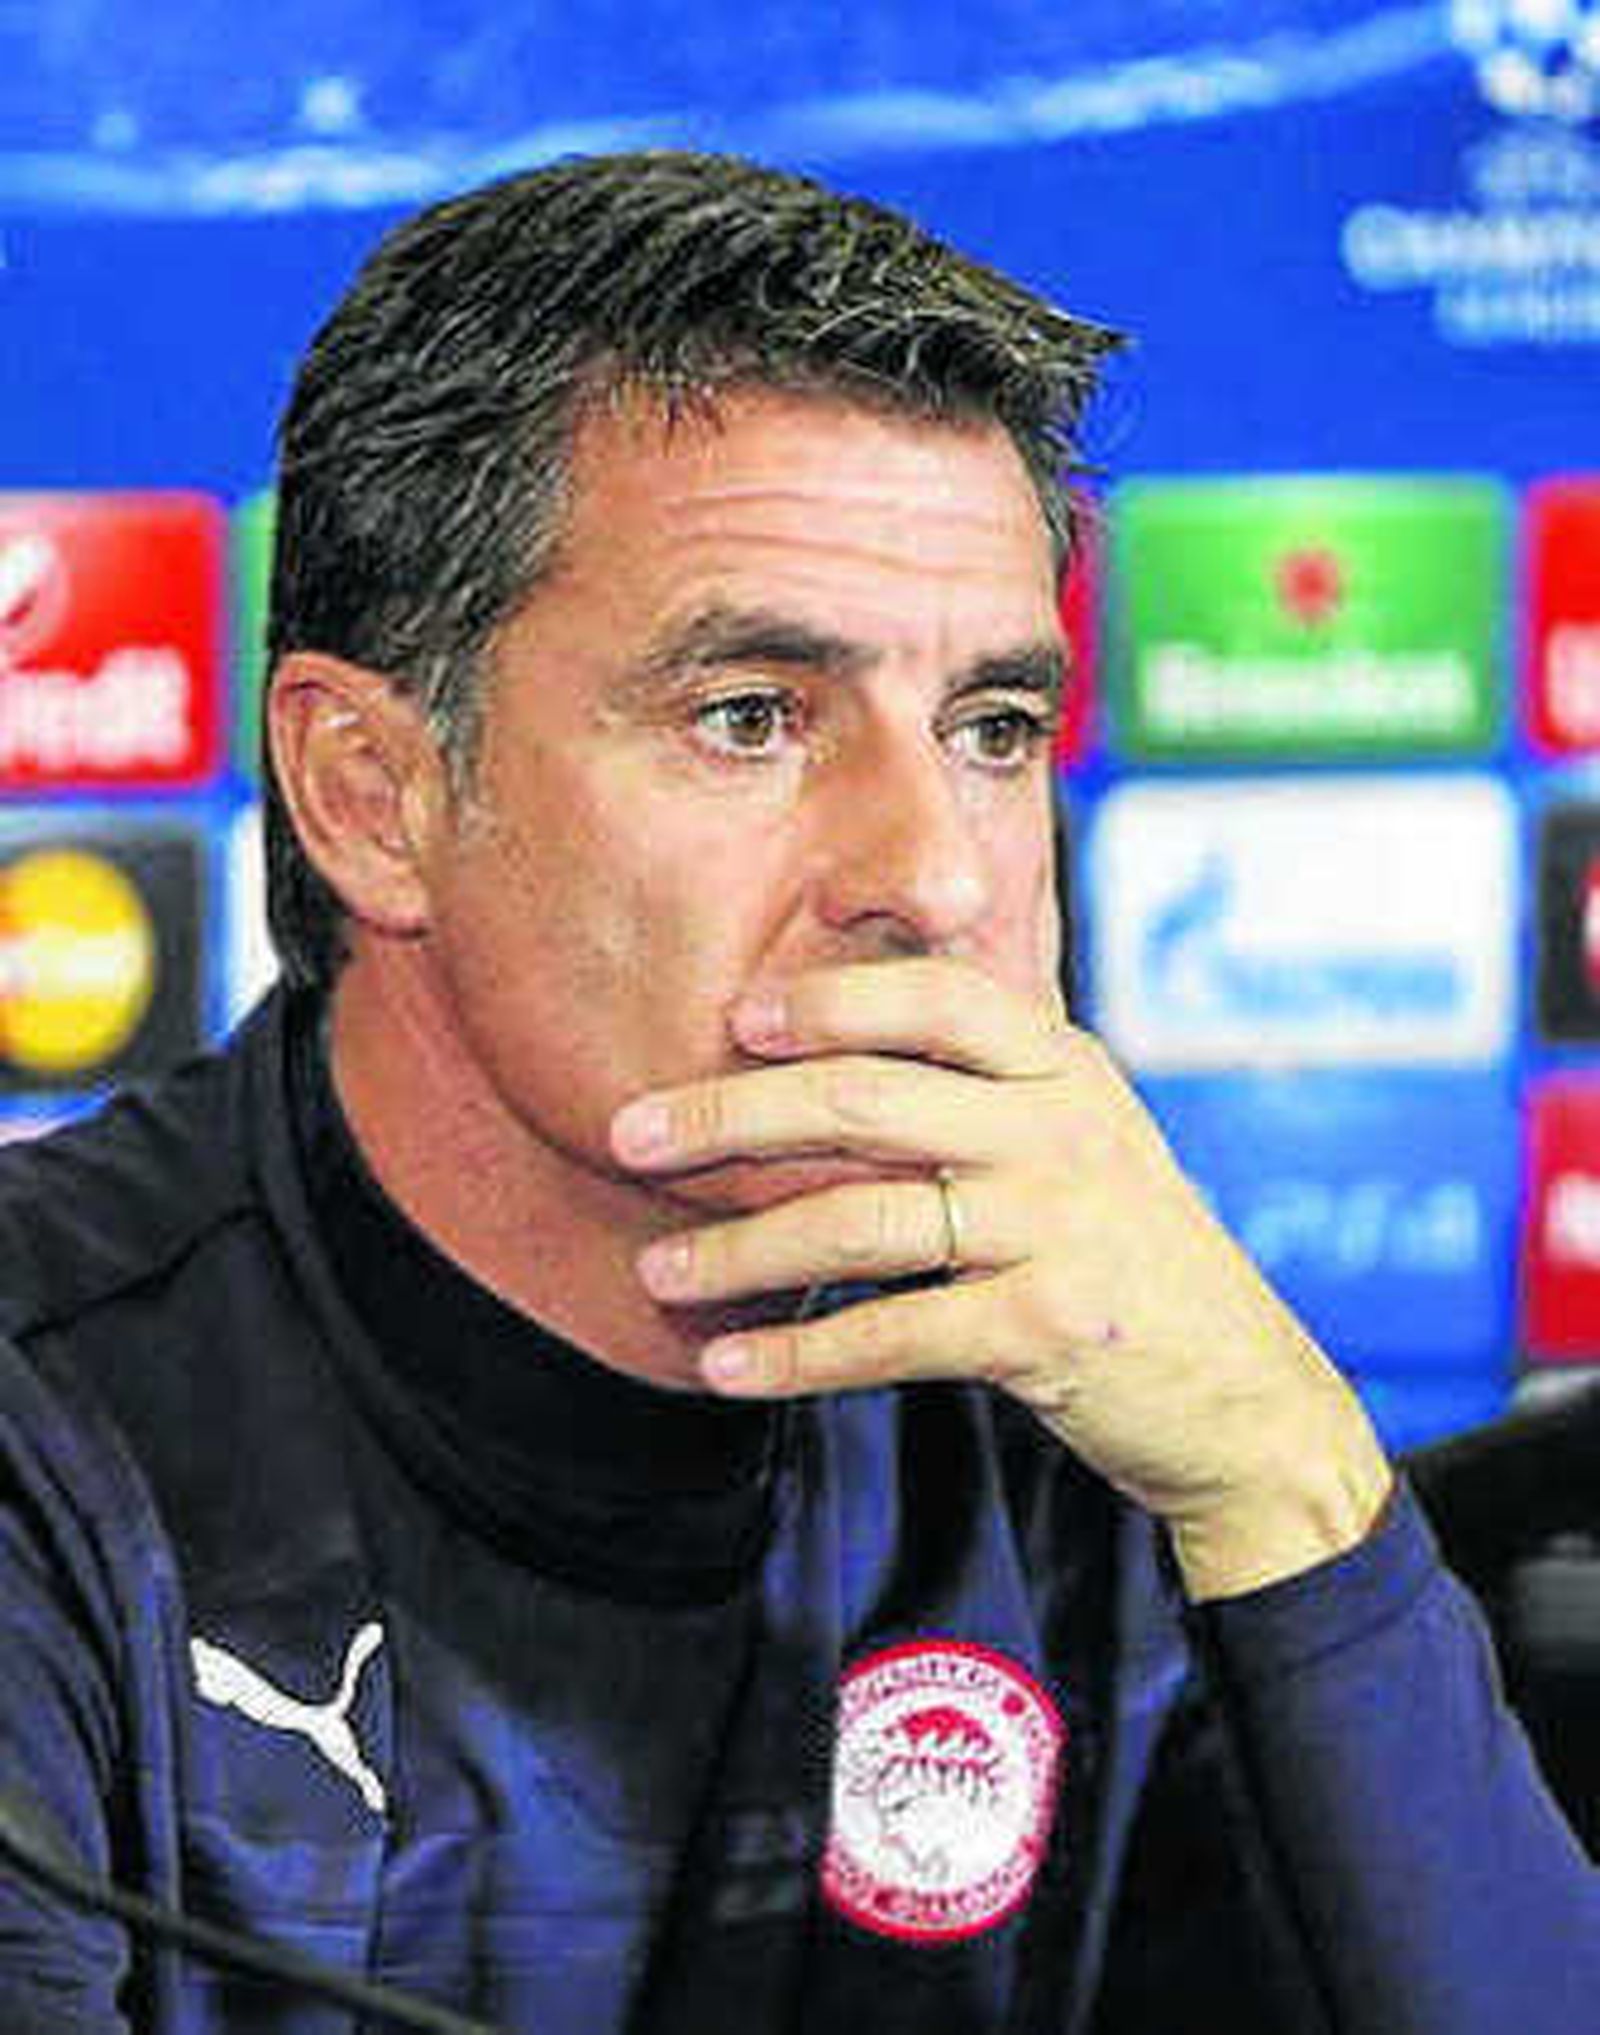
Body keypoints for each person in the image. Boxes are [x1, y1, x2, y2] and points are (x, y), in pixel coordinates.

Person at [0, 150, 1593, 2035]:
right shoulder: (44, 1438)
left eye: (993, 729)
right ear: (373, 794)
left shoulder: (1112, 1412)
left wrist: (1291, 1483)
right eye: (751, 717)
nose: (933, 875)